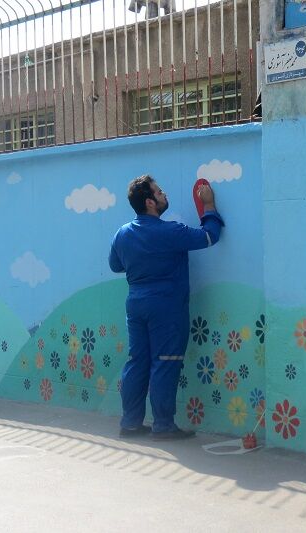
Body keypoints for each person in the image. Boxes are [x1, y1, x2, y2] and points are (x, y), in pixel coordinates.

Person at [109, 175, 224, 440]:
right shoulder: (171, 231)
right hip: (166, 307)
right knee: (165, 362)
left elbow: (116, 266)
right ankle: (163, 425)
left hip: (136, 304)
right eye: (160, 192)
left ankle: (130, 423)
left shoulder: (122, 234)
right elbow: (209, 237)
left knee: (137, 361)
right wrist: (209, 205)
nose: (164, 195)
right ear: (150, 202)